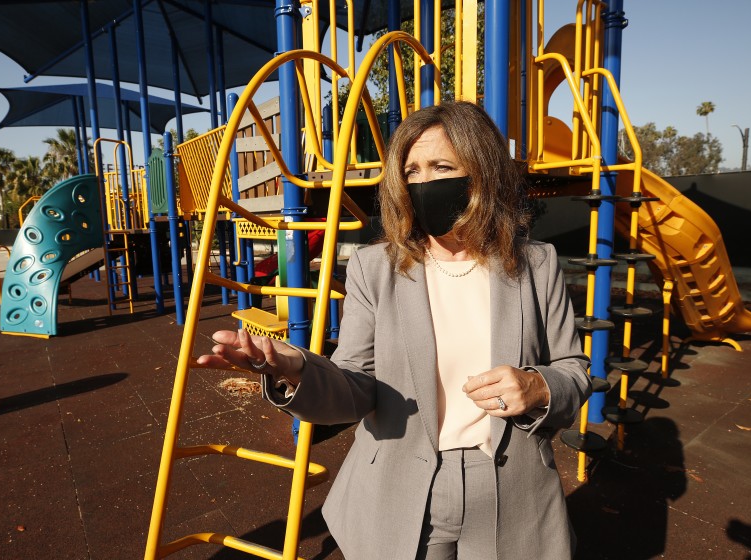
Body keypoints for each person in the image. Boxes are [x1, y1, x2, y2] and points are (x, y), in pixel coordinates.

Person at [198, 101, 592, 560]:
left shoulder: (536, 265)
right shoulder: (375, 267)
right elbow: (356, 385)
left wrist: (538, 386)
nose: (424, 184)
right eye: (412, 171)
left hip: (511, 490)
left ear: (483, 172)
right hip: (403, 487)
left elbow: (574, 370)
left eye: (442, 166)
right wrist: (297, 369)